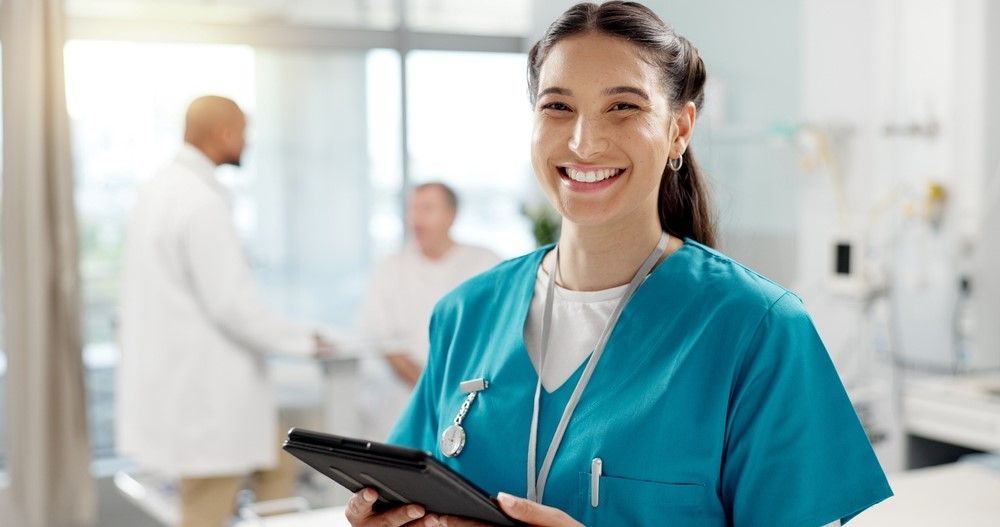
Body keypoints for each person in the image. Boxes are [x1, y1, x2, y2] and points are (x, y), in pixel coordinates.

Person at [345, 3, 892, 527]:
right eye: (557, 106)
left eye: (623, 107)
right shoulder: (466, 314)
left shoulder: (757, 329)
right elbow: (410, 495)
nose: (584, 142)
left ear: (679, 129)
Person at [117, 95, 330, 527]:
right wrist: (303, 342)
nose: (246, 143)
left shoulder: (160, 189)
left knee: (278, 460)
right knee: (206, 506)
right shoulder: (199, 201)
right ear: (224, 133)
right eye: (244, 133)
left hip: (184, 381)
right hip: (206, 396)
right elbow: (232, 305)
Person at [358, 182, 500, 441]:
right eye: (412, 209)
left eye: (427, 209)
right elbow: (387, 344)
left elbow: (497, 335)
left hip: (470, 403)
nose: (416, 219)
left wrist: (456, 395)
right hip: (400, 405)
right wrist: (435, 392)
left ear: (451, 215)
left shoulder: (486, 263)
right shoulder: (390, 269)